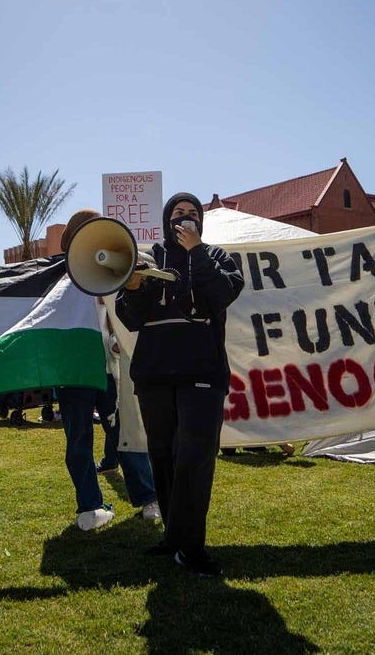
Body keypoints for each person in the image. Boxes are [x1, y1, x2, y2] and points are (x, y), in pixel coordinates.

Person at [116, 193, 244, 577]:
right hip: (155, 375)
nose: (186, 219)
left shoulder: (217, 257)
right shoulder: (148, 259)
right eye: (178, 214)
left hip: (202, 374)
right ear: (166, 220)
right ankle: (174, 536)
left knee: (194, 459)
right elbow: (129, 317)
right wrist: (136, 287)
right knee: (164, 458)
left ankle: (191, 547)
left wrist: (197, 253)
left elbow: (223, 293)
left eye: (192, 214)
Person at [56, 209, 161, 531]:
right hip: (73, 370)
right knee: (79, 439)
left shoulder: (117, 269)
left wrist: (117, 337)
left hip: (111, 368)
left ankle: (148, 497)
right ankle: (90, 505)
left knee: (127, 432)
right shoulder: (58, 280)